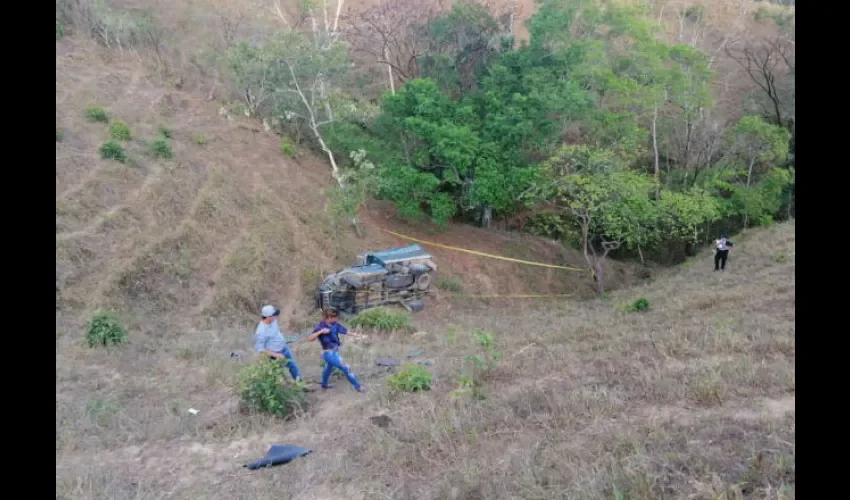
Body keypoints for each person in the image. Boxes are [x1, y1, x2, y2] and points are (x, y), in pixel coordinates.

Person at [307, 309, 366, 393]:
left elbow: (345, 331)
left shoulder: (334, 324)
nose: (337, 318)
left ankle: (324, 385)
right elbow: (309, 338)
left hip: (335, 351)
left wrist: (357, 335)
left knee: (328, 369)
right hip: (329, 353)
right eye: (335, 317)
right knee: (346, 368)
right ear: (329, 317)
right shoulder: (320, 326)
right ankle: (358, 386)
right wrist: (320, 332)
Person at [254, 305, 303, 382]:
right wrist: (276, 355)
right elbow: (261, 350)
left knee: (293, 366)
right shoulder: (261, 332)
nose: (276, 316)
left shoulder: (273, 321)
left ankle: (301, 385)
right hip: (275, 355)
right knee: (275, 375)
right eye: (274, 315)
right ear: (268, 317)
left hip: (284, 349)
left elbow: (276, 333)